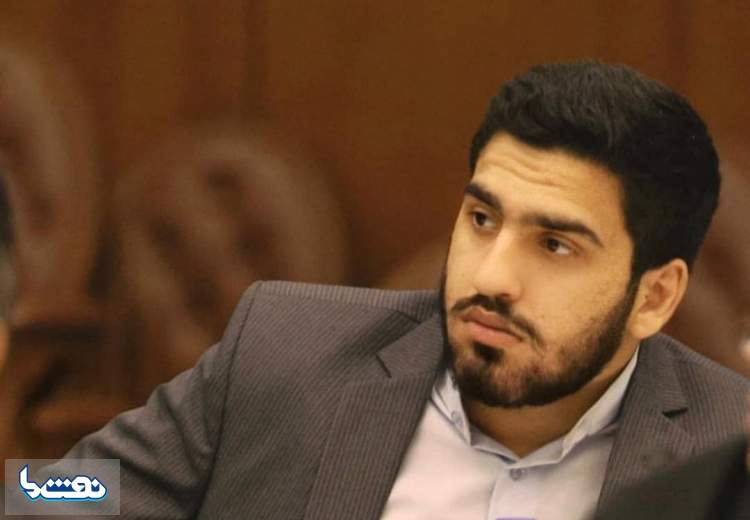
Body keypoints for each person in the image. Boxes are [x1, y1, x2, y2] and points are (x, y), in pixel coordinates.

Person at [19, 60, 750, 519]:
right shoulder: (284, 352)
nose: (491, 276)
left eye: (555, 245)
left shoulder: (725, 451)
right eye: (482, 219)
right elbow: (71, 490)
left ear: (655, 297)